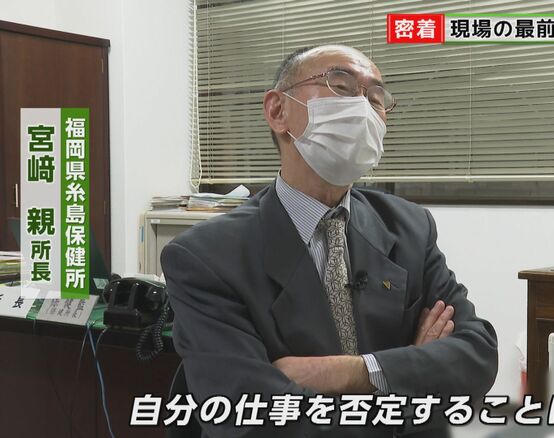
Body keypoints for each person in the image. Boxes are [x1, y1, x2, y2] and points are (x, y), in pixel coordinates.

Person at [161, 44, 498, 438]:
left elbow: (476, 357)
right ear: (278, 111)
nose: (364, 107)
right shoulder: (206, 256)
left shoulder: (410, 227)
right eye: (341, 85)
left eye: (377, 97)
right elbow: (251, 416)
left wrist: (349, 372)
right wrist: (407, 375)